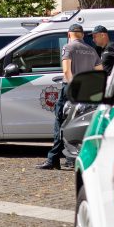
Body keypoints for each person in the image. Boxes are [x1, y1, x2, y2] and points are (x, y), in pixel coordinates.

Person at [37, 23, 99, 170]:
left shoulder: (68, 47)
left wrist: (73, 87)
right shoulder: (91, 50)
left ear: (69, 34)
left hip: (71, 89)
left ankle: (53, 159)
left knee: (60, 122)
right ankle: (72, 158)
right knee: (78, 123)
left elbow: (66, 71)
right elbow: (99, 71)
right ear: (83, 35)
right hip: (88, 91)